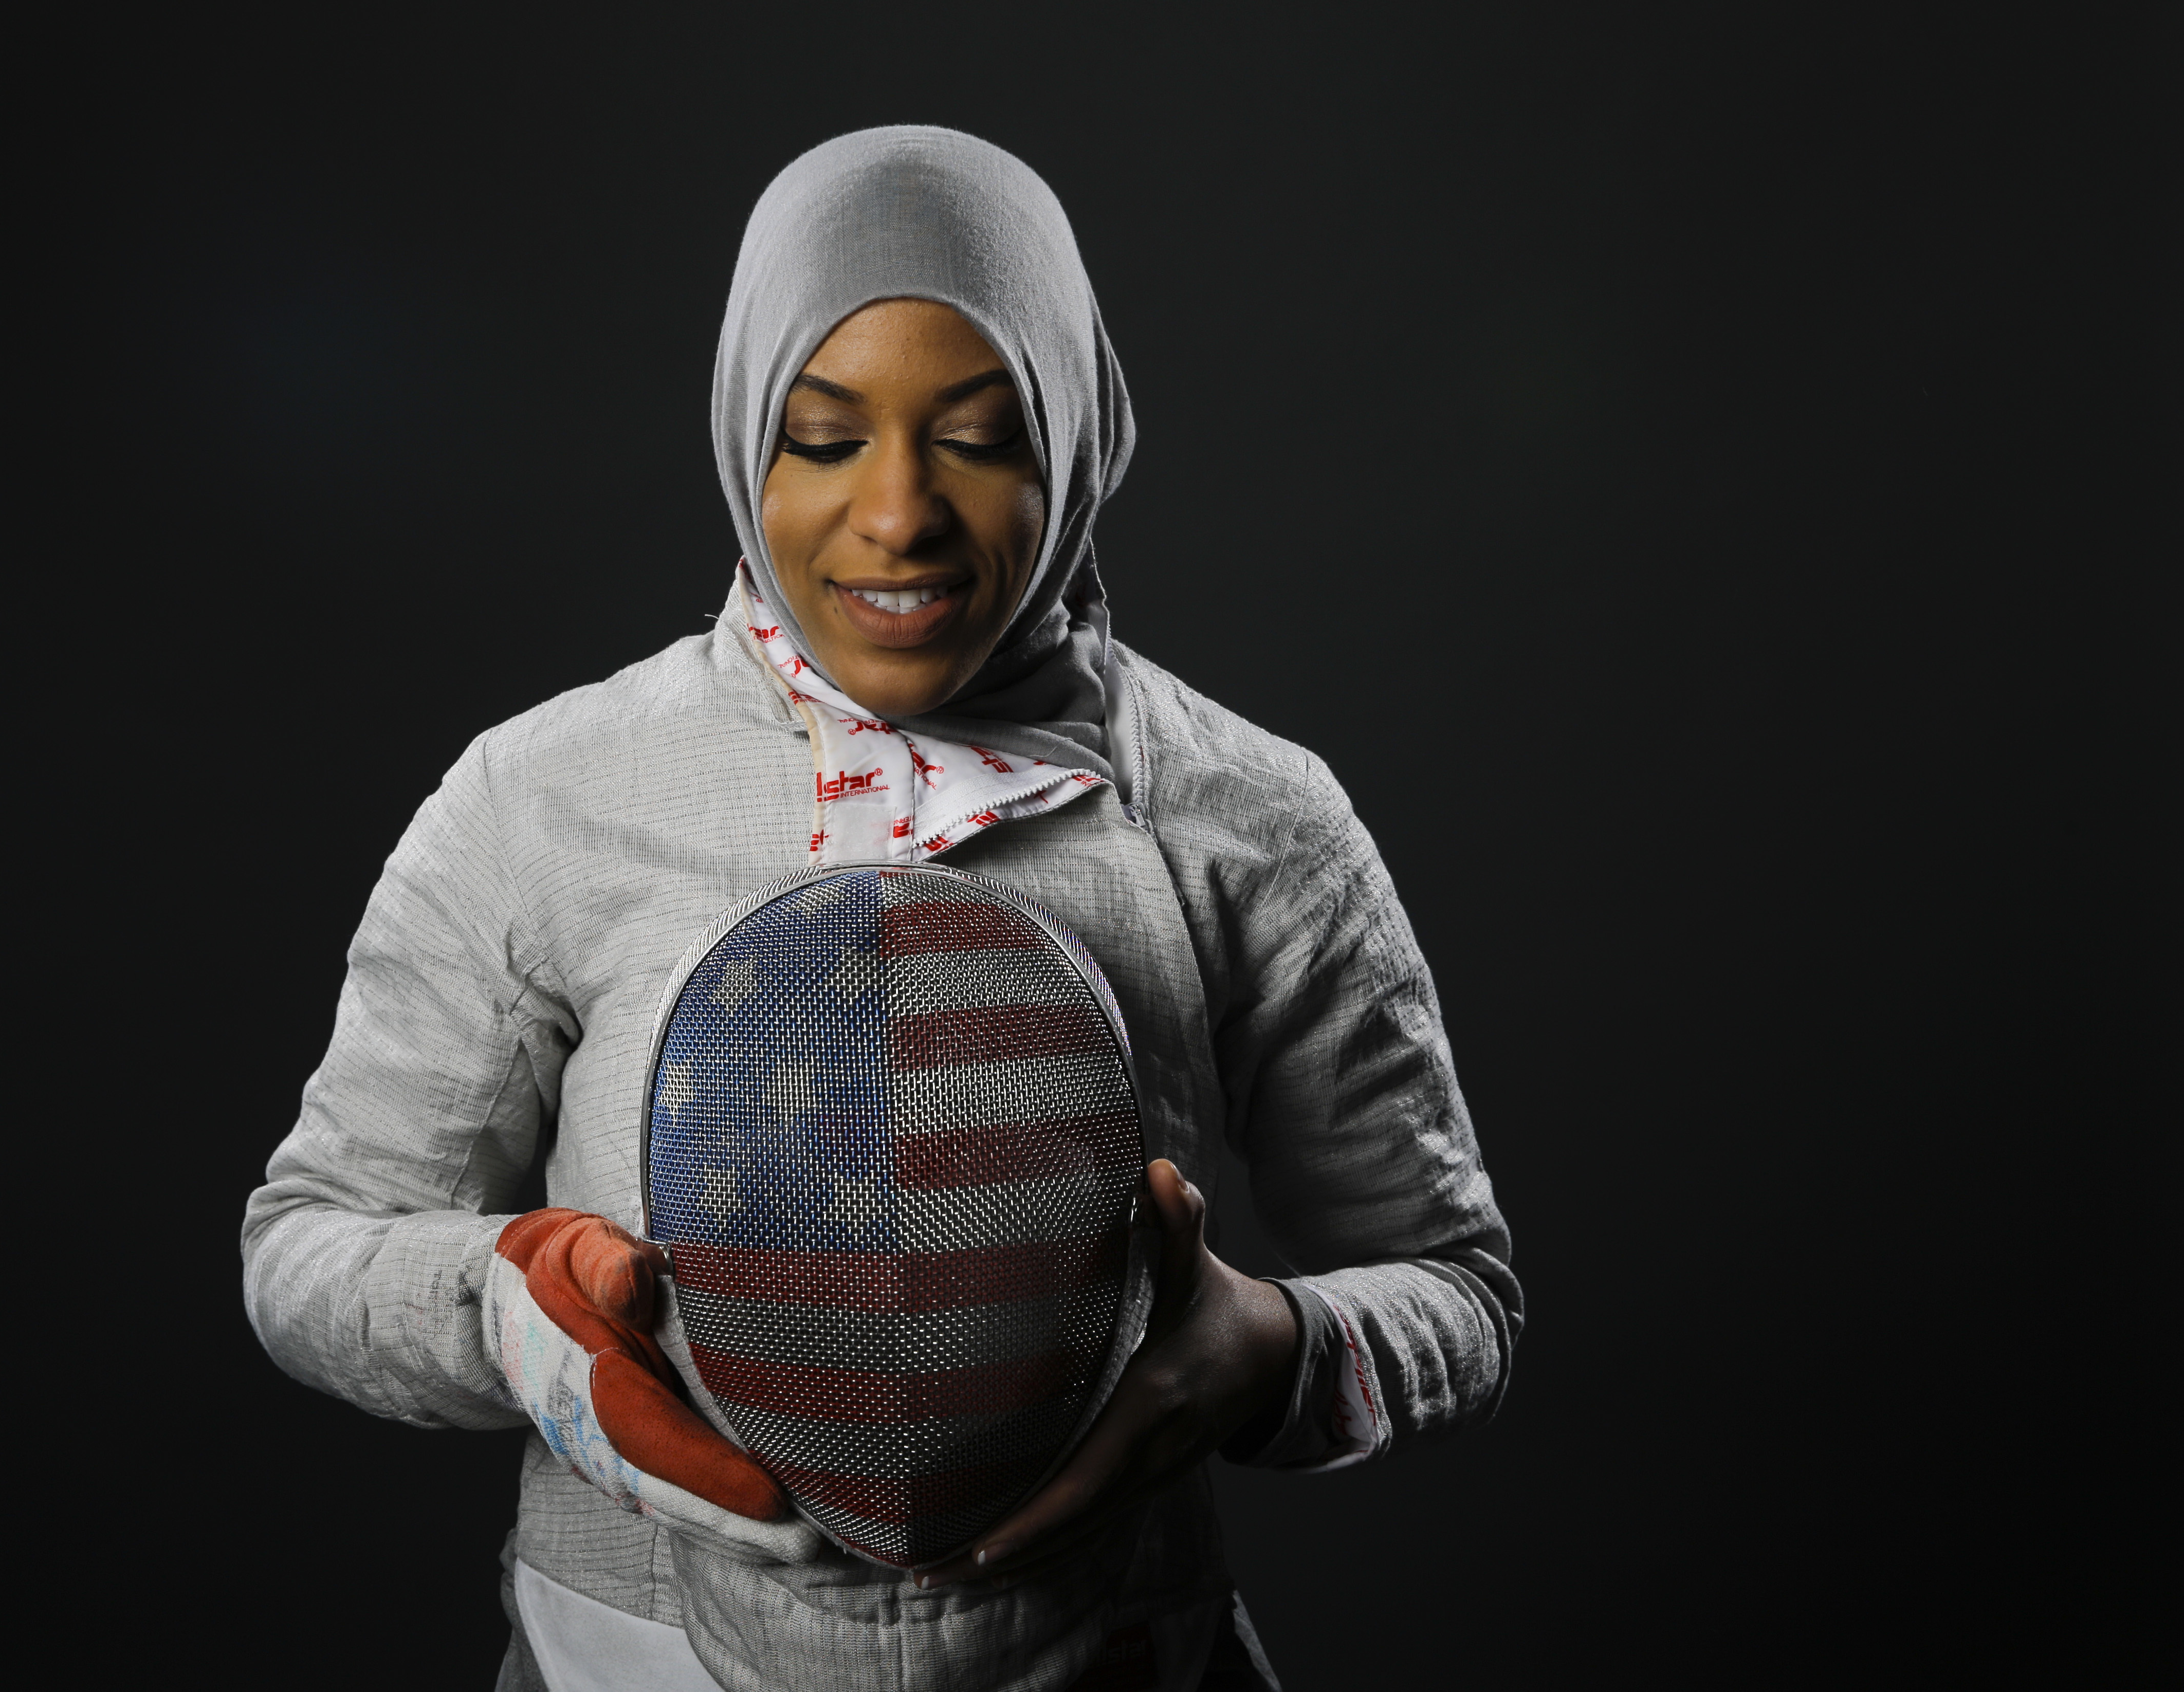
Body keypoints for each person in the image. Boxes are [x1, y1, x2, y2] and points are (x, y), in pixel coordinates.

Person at [242, 126, 1518, 1692]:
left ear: (1074, 436)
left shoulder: (1246, 815)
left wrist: (1266, 1354)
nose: (897, 516)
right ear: (738, 439)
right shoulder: (544, 795)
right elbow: (309, 1247)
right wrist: (514, 1309)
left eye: (978, 437)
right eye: (822, 438)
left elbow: (1457, 1287)